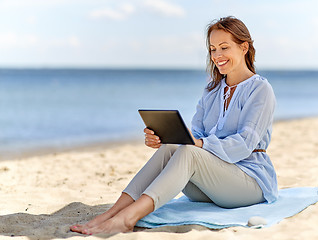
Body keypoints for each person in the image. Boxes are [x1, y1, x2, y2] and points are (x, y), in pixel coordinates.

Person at [70, 16, 278, 235]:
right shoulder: (212, 89)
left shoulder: (260, 90)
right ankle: (109, 214)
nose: (217, 56)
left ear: (244, 47)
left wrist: (197, 143)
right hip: (211, 186)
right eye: (213, 49)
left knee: (188, 151)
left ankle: (127, 218)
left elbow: (244, 144)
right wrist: (165, 138)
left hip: (249, 183)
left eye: (224, 47)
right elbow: (196, 134)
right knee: (171, 148)